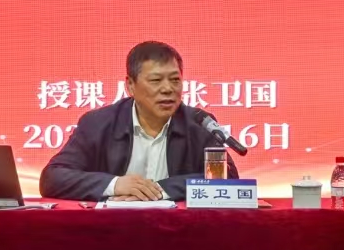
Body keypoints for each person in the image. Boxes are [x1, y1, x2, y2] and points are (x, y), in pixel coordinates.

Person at [40, 41, 239, 201]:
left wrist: (161, 189)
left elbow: (225, 178)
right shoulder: (98, 124)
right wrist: (115, 185)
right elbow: (53, 178)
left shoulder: (199, 124)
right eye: (155, 80)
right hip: (110, 229)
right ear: (130, 86)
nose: (168, 89)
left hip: (177, 230)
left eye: (175, 80)